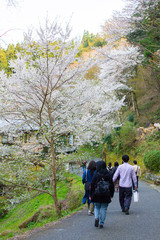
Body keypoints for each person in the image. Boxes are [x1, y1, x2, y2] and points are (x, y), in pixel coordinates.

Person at [91, 161, 114, 228]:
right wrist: (111, 194)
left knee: (97, 207)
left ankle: (96, 218)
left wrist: (91, 194)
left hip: (97, 194)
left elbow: (92, 184)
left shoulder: (96, 174)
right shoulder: (108, 174)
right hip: (106, 194)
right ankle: (101, 223)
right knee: (104, 208)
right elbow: (112, 185)